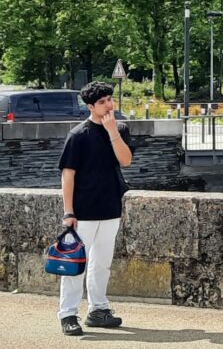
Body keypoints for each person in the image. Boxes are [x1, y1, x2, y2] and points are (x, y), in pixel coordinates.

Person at [57, 81, 134, 336]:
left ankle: (98, 309)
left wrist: (112, 131)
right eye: (102, 102)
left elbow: (125, 161)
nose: (109, 105)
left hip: (110, 206)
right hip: (83, 211)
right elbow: (68, 174)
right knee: (75, 264)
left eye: (110, 99)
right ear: (91, 106)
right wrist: (69, 211)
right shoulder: (78, 135)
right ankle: (68, 314)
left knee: (102, 263)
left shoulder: (120, 129)